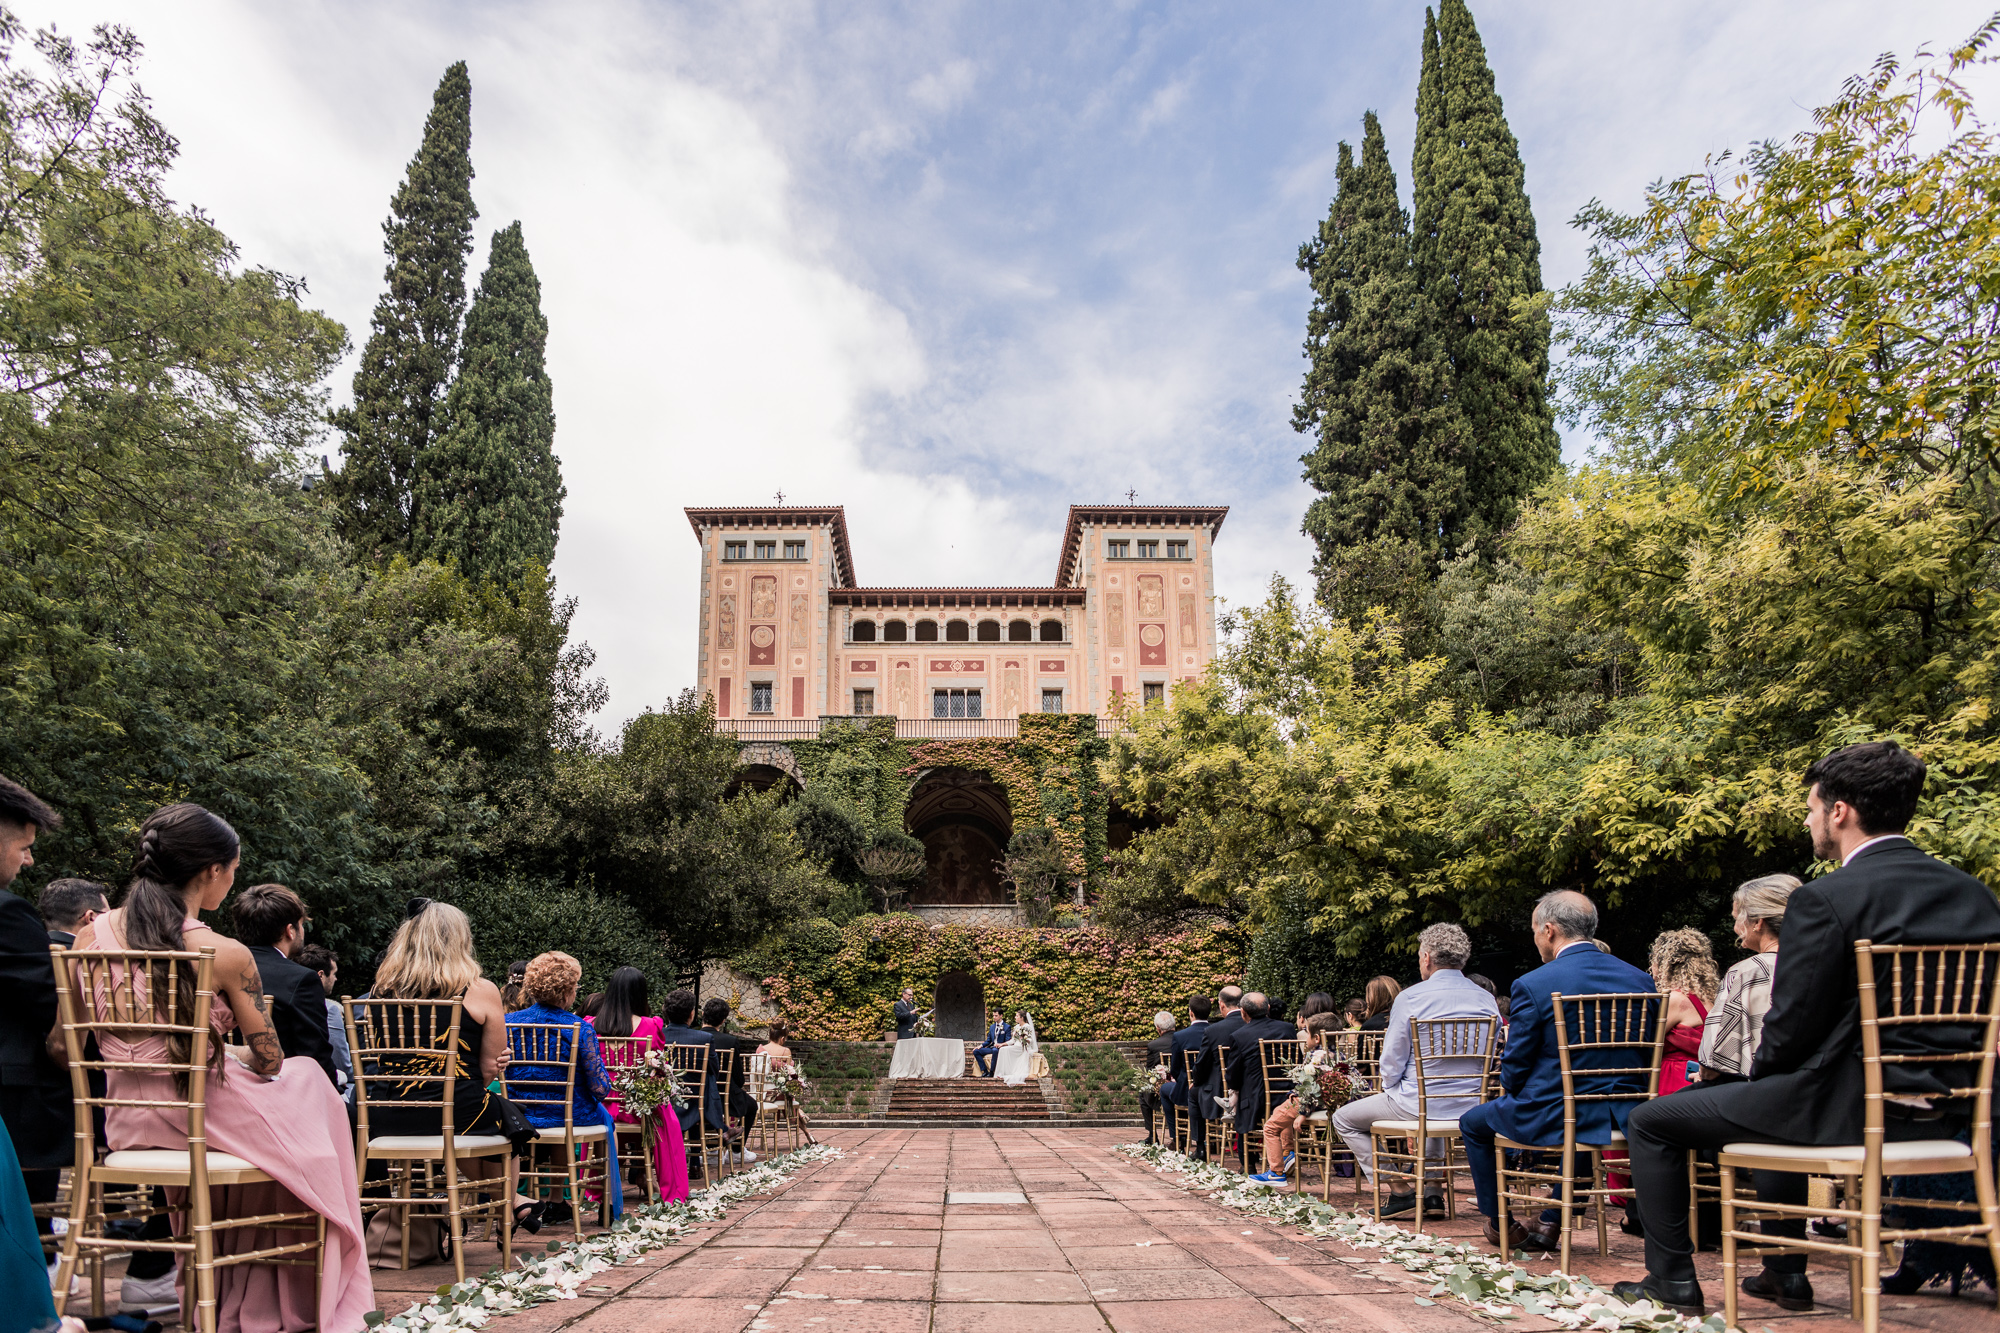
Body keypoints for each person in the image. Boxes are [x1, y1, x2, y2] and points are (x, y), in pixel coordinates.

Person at [1615, 741, 2000, 1316]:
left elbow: (1789, 1031)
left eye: (1812, 807)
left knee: (1650, 1120)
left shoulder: (1826, 899)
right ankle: (1781, 1271)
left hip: (1844, 1105)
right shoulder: (1977, 897)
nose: (1807, 818)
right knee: (1759, 1105)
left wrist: (1755, 1085)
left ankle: (1671, 1283)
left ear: (1840, 811)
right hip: (1951, 1110)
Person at [61, 801, 374, 1331]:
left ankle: (241, 1287)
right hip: (198, 1119)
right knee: (309, 1080)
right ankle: (291, 1283)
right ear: (212, 871)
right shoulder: (220, 951)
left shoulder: (90, 938)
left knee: (295, 1103)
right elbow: (271, 1061)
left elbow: (64, 1040)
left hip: (123, 1122)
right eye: (232, 869)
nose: (232, 880)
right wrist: (225, 1052)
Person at [1458, 890, 1653, 1256]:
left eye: (1534, 930)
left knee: (1472, 1122)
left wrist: (1513, 1093)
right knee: (1580, 1115)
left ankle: (1500, 1221)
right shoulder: (1639, 979)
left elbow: (1515, 1065)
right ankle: (1550, 1219)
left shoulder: (1534, 983)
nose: (1535, 939)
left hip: (1555, 1108)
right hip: (1626, 1110)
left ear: (1549, 930)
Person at [360, 899, 539, 1232]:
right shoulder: (480, 990)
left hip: (385, 1112)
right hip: (456, 1109)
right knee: (505, 1115)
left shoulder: (379, 990)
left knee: (480, 1112)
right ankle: (509, 1206)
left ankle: (512, 1203)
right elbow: (488, 1069)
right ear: (460, 940)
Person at [1327, 924, 1501, 1214]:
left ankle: (1399, 1190)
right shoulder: (1486, 998)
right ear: (1462, 960)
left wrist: (1393, 1088)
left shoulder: (1411, 997)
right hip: (1472, 1105)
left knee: (1344, 1119)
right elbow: (1493, 1050)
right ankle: (1432, 1192)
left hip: (1418, 1101)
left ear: (1427, 958)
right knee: (1427, 1113)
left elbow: (1392, 1061)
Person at [0, 777, 70, 1290]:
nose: (28, 862)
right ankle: (34, 1282)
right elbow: (54, 1012)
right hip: (18, 1101)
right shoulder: (7, 913)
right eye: (24, 847)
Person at [506, 952, 622, 1219]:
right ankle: (606, 1204)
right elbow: (599, 1088)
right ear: (568, 991)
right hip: (569, 1115)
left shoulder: (508, 1023)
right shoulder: (578, 1027)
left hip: (521, 1114)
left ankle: (554, 1200)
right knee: (605, 1119)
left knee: (563, 1117)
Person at [589, 966, 689, 1204]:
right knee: (669, 1121)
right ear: (640, 994)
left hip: (601, 1108)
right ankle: (672, 1190)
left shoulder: (590, 1024)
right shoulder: (651, 1025)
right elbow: (656, 1066)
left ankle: (594, 1189)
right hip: (636, 1107)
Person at [232, 883, 339, 1087]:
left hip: (225, 1085)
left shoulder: (220, 971)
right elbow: (315, 1056)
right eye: (301, 924)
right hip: (280, 1091)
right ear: (290, 930)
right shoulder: (301, 980)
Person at [1695, 876, 1796, 1083]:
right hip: (1812, 1086)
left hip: (1756, 1090)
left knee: (1646, 1116)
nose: (1735, 929)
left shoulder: (1746, 972)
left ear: (1758, 923)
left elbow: (1713, 1063)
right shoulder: (1815, 963)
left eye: (1736, 919)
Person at [1250, 1012, 1344, 1184]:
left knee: (1270, 1127)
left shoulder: (1316, 1057)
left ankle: (1276, 1173)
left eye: (1307, 1032)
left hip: (1309, 1103)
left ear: (1316, 1038)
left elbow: (1311, 1089)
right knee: (1282, 1113)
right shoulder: (1338, 1055)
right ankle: (1287, 1154)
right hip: (1329, 1103)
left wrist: (1303, 1113)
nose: (1305, 1036)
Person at [1223, 992, 1298, 1166]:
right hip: (1286, 1092)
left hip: (1256, 1098)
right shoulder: (1287, 1028)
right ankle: (1286, 1153)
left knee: (1241, 1100)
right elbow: (1297, 1059)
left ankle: (1247, 1165)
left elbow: (1232, 1074)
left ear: (1243, 1012)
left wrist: (1235, 1089)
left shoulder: (1239, 1035)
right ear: (1268, 1008)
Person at [659, 989, 726, 1172]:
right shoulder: (704, 1038)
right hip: (695, 1100)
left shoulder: (658, 1035)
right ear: (691, 1014)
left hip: (664, 1098)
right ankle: (695, 1162)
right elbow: (714, 1070)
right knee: (700, 1090)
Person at [1648, 928, 1720, 1096]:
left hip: (1674, 1081)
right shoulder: (1708, 998)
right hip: (1700, 1080)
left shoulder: (1676, 999)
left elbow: (1647, 1042)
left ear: (1666, 963)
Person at [702, 997, 761, 1162]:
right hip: (725, 1094)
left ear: (702, 1014)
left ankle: (711, 1149)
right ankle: (736, 1150)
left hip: (698, 1094)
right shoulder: (730, 1041)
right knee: (751, 1105)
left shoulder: (696, 1037)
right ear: (723, 1020)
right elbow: (738, 1077)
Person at [1189, 984, 1245, 1155]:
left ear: (1221, 1005)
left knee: (1193, 1093)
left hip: (1221, 1089)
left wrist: (1195, 1081)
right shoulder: (1252, 1025)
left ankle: (1200, 1146)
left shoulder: (1213, 1030)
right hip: (1251, 1086)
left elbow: (1202, 1063)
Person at [294, 944, 353, 1097]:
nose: (335, 978)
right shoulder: (330, 1009)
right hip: (322, 1083)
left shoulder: (290, 1001)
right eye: (333, 973)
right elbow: (341, 1063)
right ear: (320, 975)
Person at [753, 1021, 819, 1147]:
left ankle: (803, 1126)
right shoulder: (785, 1051)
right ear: (782, 1038)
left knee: (786, 1094)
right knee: (788, 1096)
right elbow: (791, 1075)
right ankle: (806, 1130)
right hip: (778, 1094)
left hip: (762, 1093)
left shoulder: (760, 1049)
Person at [1162, 996, 1211, 1156]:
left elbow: (1174, 1068)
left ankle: (1178, 1137)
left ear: (1191, 1012)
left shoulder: (1180, 1036)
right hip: (1214, 1089)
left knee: (1165, 1090)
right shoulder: (1215, 1032)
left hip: (1187, 1089)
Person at [38, 878, 108, 948]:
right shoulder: (94, 957)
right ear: (91, 918)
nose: (110, 920)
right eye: (108, 915)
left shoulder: (33, 949)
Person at [1139, 1011, 1175, 1144]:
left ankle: (1152, 1135)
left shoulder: (1154, 1045)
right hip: (1184, 1087)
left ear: (1158, 1029)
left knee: (1143, 1093)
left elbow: (1149, 1071)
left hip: (1163, 1091)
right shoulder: (1182, 1039)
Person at [972, 1008, 1013, 1079]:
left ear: (1001, 1016)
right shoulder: (992, 1027)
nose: (994, 1017)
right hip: (992, 1047)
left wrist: (1000, 1045)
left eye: (996, 1016)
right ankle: (985, 1071)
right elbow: (988, 1040)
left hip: (1001, 1048)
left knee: (995, 1050)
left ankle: (991, 1072)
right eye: (993, 1016)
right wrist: (981, 1046)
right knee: (976, 1051)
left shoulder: (1007, 1027)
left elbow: (1008, 1040)